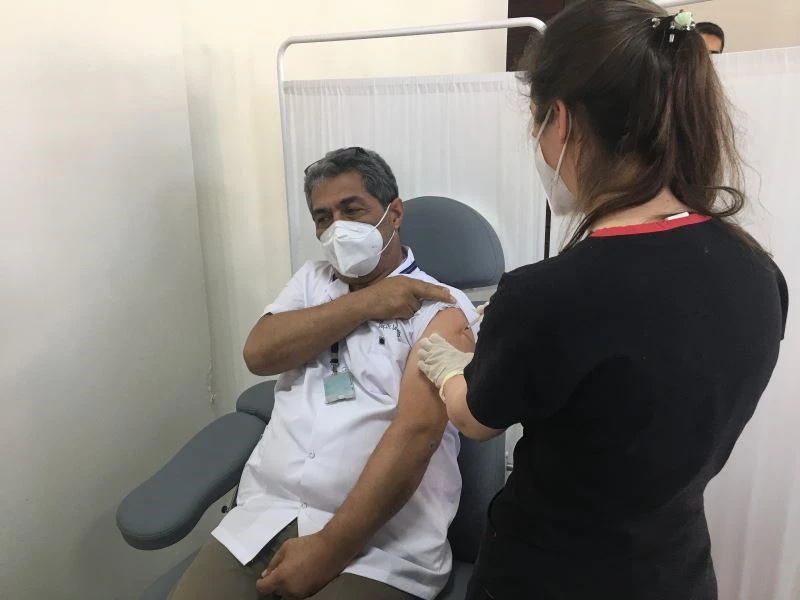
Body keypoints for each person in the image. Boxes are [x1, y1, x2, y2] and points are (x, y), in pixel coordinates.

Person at [417, 2, 789, 599]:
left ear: (561, 120)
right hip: (676, 572)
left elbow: (475, 419)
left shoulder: (546, 295)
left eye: (538, 123)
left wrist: (446, 364)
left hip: (548, 577)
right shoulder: (759, 273)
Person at [168, 147, 479, 600]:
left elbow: (416, 438)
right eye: (323, 217)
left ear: (394, 214)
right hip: (264, 519)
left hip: (381, 546)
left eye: (352, 210)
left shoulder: (442, 306)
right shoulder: (311, 282)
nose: (337, 227)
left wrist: (330, 548)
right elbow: (259, 353)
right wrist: (366, 302)